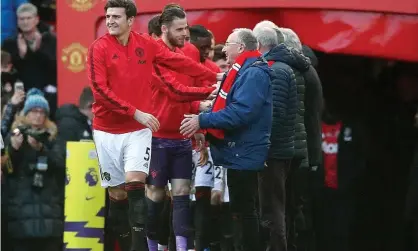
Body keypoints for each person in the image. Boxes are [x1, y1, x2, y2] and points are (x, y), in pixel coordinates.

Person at [87, 1, 221, 251]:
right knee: (118, 195)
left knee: (137, 185)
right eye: (107, 16)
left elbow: (178, 63)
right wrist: (134, 112)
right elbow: (99, 90)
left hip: (140, 130)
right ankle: (129, 243)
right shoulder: (98, 48)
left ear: (130, 20)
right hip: (107, 128)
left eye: (116, 16)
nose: (110, 21)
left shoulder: (145, 45)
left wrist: (215, 77)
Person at [180, 28, 273, 251]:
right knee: (241, 211)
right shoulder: (244, 71)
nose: (223, 49)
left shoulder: (253, 73)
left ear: (240, 48)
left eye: (228, 44)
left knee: (245, 212)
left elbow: (241, 112)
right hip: (239, 150)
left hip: (246, 151)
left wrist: (203, 120)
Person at [144, 6, 217, 251]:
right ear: (164, 29)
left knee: (183, 193)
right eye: (180, 29)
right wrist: (211, 91)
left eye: (186, 27)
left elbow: (193, 86)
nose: (185, 33)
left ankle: (182, 248)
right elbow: (175, 89)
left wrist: (198, 125)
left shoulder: (190, 51)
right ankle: (154, 246)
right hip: (157, 136)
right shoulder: (154, 53)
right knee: (155, 195)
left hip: (182, 135)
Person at [253, 25, 298, 251]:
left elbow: (275, 114)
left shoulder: (275, 70)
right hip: (278, 148)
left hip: (273, 150)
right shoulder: (281, 68)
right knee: (273, 208)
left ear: (259, 44)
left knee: (273, 210)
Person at [3, 88, 63, 251]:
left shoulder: (53, 137)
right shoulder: (15, 136)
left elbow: (60, 166)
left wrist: (41, 148)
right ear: (26, 113)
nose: (38, 115)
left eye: (42, 111)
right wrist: (14, 149)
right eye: (34, 111)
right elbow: (8, 170)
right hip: (21, 217)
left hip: (49, 217)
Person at [277, 28, 312, 251]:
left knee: (285, 208)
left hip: (288, 148)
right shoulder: (306, 70)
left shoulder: (286, 72)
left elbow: (280, 113)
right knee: (292, 207)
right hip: (302, 148)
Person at [2, 3, 57, 116]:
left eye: (28, 18)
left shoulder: (49, 40)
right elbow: (5, 72)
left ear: (36, 19)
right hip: (19, 94)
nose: (25, 22)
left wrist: (38, 51)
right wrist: (21, 56)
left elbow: (56, 69)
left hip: (47, 94)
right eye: (22, 19)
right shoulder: (10, 43)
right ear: (17, 21)